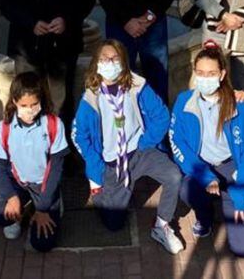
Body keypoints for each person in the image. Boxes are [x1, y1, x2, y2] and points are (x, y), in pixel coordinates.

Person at [70, 40, 185, 254]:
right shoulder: (91, 98)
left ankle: (162, 225)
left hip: (139, 152)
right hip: (111, 163)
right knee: (114, 223)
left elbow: (161, 115)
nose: (110, 63)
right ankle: (102, 195)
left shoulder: (138, 86)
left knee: (174, 176)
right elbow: (80, 136)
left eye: (114, 59)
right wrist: (96, 169)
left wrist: (145, 142)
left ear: (123, 61)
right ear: (97, 64)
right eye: (104, 59)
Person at [169, 46, 244, 257]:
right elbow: (178, 143)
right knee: (187, 189)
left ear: (222, 74)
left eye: (211, 74)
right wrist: (204, 176)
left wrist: (241, 195)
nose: (205, 79)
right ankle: (205, 216)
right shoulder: (183, 101)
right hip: (201, 167)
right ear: (194, 72)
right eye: (201, 73)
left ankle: (233, 199)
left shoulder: (240, 106)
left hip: (233, 168)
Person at [0, 72, 70, 251]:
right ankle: (19, 211)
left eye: (34, 104)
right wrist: (11, 197)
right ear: (14, 102)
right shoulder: (2, 129)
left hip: (44, 184)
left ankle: (51, 202)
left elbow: (56, 169)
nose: (30, 110)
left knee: (42, 243)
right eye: (24, 105)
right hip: (18, 182)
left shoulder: (54, 125)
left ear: (42, 100)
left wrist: (43, 208)